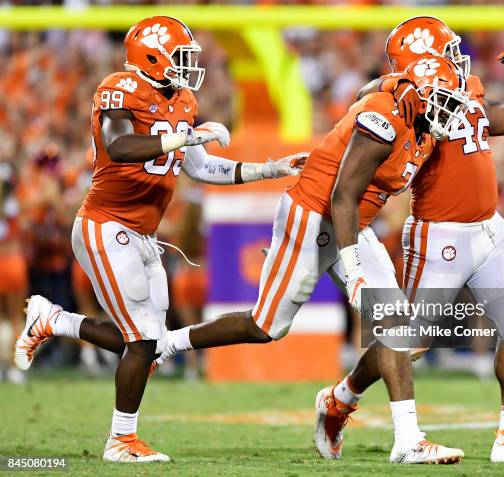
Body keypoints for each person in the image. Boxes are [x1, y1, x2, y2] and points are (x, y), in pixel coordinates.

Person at [152, 55, 470, 464]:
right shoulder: (386, 114)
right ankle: (169, 343)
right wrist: (353, 269)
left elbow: (370, 92)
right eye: (444, 98)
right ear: (422, 94)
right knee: (265, 326)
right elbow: (342, 195)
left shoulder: (419, 117)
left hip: (355, 223)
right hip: (315, 213)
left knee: (395, 323)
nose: (452, 109)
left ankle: (379, 424)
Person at [14, 16, 304, 463]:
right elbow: (120, 147)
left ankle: (55, 322)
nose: (188, 67)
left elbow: (202, 167)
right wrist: (183, 136)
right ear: (150, 56)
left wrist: (267, 169)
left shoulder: (183, 99)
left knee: (149, 344)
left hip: (142, 235)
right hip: (105, 226)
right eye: (180, 57)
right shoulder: (120, 87)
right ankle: (120, 441)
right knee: (146, 339)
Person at [315, 16, 504, 464]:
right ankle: (340, 398)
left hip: (491, 228)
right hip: (438, 235)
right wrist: (397, 84)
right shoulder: (399, 102)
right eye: (445, 51)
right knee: (407, 344)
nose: (456, 57)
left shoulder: (463, 88)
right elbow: (365, 99)